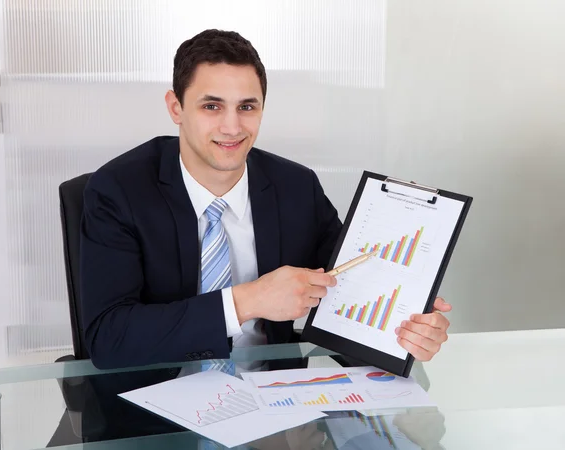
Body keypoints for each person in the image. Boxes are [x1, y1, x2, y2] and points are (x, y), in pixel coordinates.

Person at [80, 29, 451, 371]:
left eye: (247, 107)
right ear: (176, 108)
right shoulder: (118, 190)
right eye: (211, 106)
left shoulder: (297, 188)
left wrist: (406, 325)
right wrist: (247, 301)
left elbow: (347, 292)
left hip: (275, 408)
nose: (232, 127)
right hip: (153, 410)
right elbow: (108, 338)